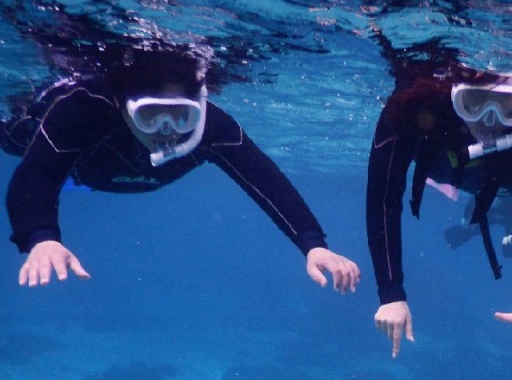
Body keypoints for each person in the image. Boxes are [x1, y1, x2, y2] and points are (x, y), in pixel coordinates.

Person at [2, 45, 360, 294]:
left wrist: (313, 245)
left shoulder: (210, 127)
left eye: (180, 115)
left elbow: (265, 180)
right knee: (16, 137)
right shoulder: (86, 109)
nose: (168, 130)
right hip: (76, 160)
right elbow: (36, 175)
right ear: (120, 103)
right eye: (151, 115)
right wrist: (41, 237)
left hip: (100, 174)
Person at [365, 68, 512, 358]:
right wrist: (390, 291)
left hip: (508, 178)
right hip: (445, 161)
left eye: (508, 105)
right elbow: (383, 197)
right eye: (474, 101)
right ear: (454, 93)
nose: (489, 119)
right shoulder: (413, 103)